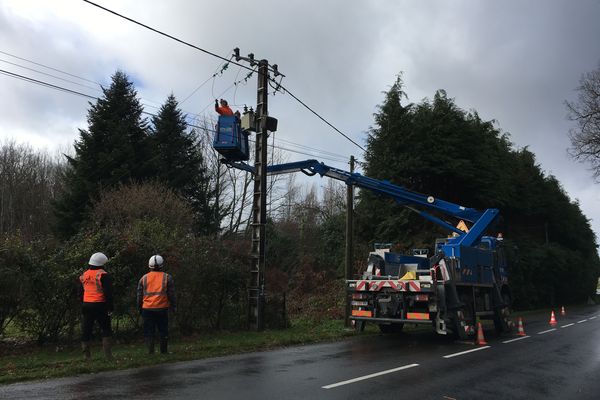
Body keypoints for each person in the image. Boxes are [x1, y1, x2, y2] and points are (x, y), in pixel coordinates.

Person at [137, 255, 177, 354]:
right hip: (162, 308)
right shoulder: (167, 277)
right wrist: (174, 306)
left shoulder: (144, 278)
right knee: (163, 330)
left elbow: (139, 295)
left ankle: (150, 352)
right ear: (162, 265)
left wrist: (139, 308)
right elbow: (171, 294)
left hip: (147, 309)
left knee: (149, 331)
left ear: (149, 266)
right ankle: (164, 351)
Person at [79, 252, 114, 360]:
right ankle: (108, 356)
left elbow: (80, 292)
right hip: (100, 305)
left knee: (86, 329)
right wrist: (110, 307)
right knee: (105, 329)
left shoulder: (84, 275)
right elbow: (108, 293)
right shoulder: (103, 275)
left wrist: (82, 304)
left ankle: (86, 356)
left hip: (86, 305)